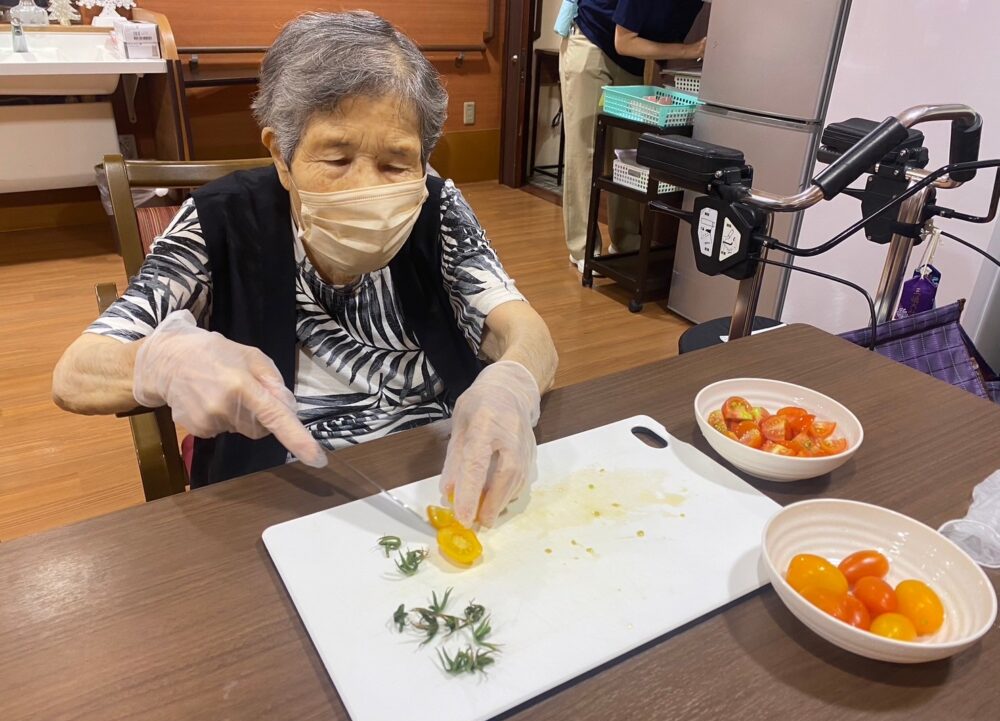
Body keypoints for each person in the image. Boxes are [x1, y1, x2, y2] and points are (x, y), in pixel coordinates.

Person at [52, 11, 558, 529]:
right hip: (280, 494)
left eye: (395, 163)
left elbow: (524, 331)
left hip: (440, 472)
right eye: (336, 160)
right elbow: (75, 373)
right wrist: (161, 364)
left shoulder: (437, 208)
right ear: (281, 156)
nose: (366, 187)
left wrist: (510, 386)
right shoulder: (221, 220)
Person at [558, 0, 705, 273]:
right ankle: (583, 246)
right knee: (585, 150)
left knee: (626, 155)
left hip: (630, 58)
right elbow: (624, 42)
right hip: (591, 40)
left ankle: (626, 241)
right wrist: (690, 51)